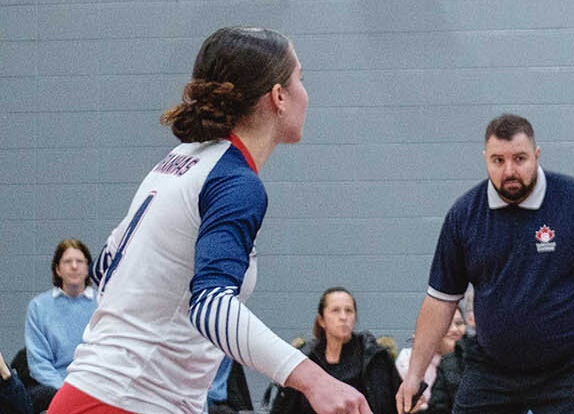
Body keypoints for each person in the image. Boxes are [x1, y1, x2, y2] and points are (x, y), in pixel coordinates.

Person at [51, 26, 370, 414]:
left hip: (98, 393)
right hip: (128, 401)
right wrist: (315, 379)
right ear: (279, 97)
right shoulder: (235, 181)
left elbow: (104, 265)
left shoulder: (178, 162)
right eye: (300, 78)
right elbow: (211, 307)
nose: (306, 92)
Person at [399, 114, 574, 414]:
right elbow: (440, 301)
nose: (509, 170)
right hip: (493, 366)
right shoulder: (465, 215)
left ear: (536, 155)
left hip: (572, 365)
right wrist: (414, 374)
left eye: (519, 158)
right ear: (485, 159)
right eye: (498, 160)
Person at [273, 288, 401, 414]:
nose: (343, 317)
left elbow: (399, 405)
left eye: (349, 311)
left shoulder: (375, 357)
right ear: (321, 320)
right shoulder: (304, 359)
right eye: (335, 311)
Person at [24, 239, 96, 412]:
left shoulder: (104, 304)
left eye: (79, 262)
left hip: (95, 387)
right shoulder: (38, 307)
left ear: (87, 269)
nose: (74, 266)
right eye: (67, 262)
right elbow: (38, 363)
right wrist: (66, 392)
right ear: (57, 269)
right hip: (54, 390)